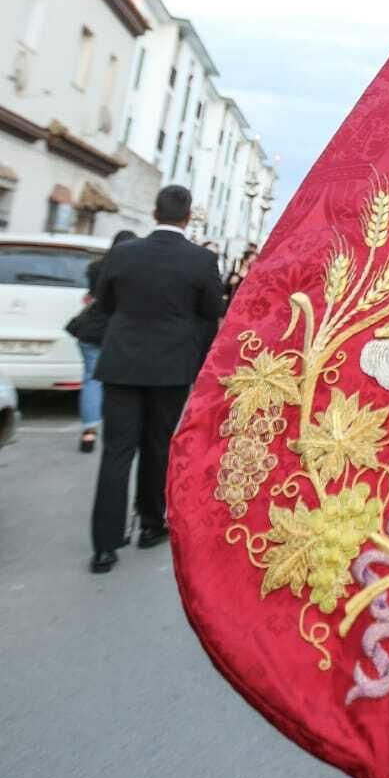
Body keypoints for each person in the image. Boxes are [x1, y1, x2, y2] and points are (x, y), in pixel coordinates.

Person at [88, 186, 226, 574]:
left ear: (153, 212)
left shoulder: (124, 252)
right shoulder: (201, 260)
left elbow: (106, 302)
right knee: (158, 446)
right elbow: (212, 309)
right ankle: (151, 523)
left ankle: (104, 546)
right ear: (188, 217)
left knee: (116, 452)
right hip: (170, 366)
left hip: (121, 363)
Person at [67, 229, 138, 453]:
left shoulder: (96, 267)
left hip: (91, 331)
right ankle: (120, 429)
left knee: (91, 379)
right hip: (117, 333)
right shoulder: (132, 271)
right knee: (120, 381)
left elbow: (94, 296)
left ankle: (89, 432)